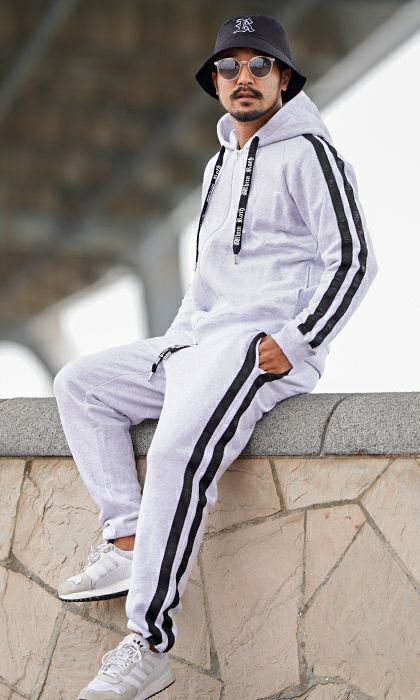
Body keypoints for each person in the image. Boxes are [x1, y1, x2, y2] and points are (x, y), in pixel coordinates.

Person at [53, 13, 378, 700]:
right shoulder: (218, 164)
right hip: (198, 343)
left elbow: (353, 260)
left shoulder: (311, 153)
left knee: (177, 452)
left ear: (284, 79)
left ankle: (147, 644)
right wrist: (178, 340)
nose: (243, 77)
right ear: (216, 82)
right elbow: (205, 279)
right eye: (229, 67)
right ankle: (126, 540)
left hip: (258, 347)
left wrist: (295, 342)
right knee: (81, 384)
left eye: (259, 65)